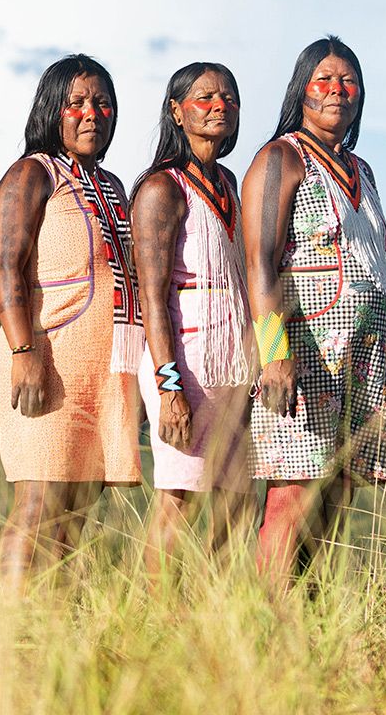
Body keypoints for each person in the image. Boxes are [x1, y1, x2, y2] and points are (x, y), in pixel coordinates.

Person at [240, 36, 386, 584]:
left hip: (364, 358)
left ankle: (315, 617)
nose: (337, 91)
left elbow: (378, 277)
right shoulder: (281, 158)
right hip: (303, 353)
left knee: (338, 495)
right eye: (324, 80)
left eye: (348, 82)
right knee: (293, 494)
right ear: (302, 89)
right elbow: (260, 262)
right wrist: (274, 354)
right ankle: (269, 617)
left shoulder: (363, 170)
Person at [0, 54, 143, 593]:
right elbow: (6, 266)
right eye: (76, 102)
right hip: (46, 362)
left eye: (102, 103)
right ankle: (11, 629)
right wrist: (23, 352)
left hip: (105, 373)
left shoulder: (113, 185)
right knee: (37, 504)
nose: (91, 113)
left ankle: (53, 628)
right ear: (52, 110)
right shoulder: (33, 173)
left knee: (77, 510)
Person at [131, 62, 254, 575]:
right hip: (187, 361)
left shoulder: (229, 182)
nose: (219, 105)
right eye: (204, 97)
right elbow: (152, 296)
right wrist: (169, 387)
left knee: (237, 501)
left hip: (233, 364)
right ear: (177, 111)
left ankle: (214, 610)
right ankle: (156, 614)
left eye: (228, 97)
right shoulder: (162, 188)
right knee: (179, 500)